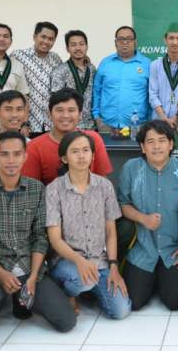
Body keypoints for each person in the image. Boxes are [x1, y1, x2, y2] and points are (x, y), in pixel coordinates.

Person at [0, 131, 76, 332]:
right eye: (4, 154)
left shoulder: (37, 189)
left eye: (17, 154)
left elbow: (41, 236)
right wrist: (0, 273)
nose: (11, 160)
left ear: (25, 156)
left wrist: (32, 277)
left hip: (28, 267)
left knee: (67, 322)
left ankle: (20, 296)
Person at [46, 131, 132, 319]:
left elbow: (111, 231)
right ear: (64, 158)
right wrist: (80, 261)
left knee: (121, 311)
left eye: (86, 150)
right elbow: (54, 239)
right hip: (67, 261)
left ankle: (86, 290)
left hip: (99, 261)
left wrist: (113, 266)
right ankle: (68, 291)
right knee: (84, 279)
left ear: (93, 155)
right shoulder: (54, 189)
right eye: (75, 151)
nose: (81, 155)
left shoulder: (104, 186)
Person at [118, 120, 178, 311]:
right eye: (150, 142)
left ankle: (162, 279)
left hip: (174, 250)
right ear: (143, 147)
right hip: (144, 248)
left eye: (162, 140)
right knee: (133, 302)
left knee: (175, 302)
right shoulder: (131, 168)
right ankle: (152, 279)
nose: (157, 146)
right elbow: (123, 203)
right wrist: (143, 218)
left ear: (171, 144)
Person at [24, 88, 112, 185]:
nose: (65, 115)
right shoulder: (34, 147)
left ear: (80, 114)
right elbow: (31, 190)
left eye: (71, 110)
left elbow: (103, 182)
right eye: (59, 110)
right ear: (49, 114)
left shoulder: (94, 139)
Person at [93, 25, 151, 132]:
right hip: (106, 126)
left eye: (129, 39)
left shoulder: (147, 64)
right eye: (121, 39)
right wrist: (97, 118)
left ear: (135, 42)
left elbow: (152, 95)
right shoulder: (105, 63)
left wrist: (148, 123)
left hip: (137, 127)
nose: (125, 42)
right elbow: (97, 91)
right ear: (115, 43)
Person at [11, 22, 63, 136]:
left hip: (51, 124)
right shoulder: (18, 56)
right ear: (34, 36)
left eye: (51, 39)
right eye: (43, 37)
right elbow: (1, 62)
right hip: (27, 125)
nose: (46, 41)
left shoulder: (56, 59)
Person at [51, 29, 97, 130]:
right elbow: (56, 101)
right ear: (67, 48)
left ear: (87, 46)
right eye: (73, 45)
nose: (78, 48)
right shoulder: (60, 71)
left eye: (81, 44)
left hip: (91, 125)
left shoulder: (92, 69)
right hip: (69, 126)